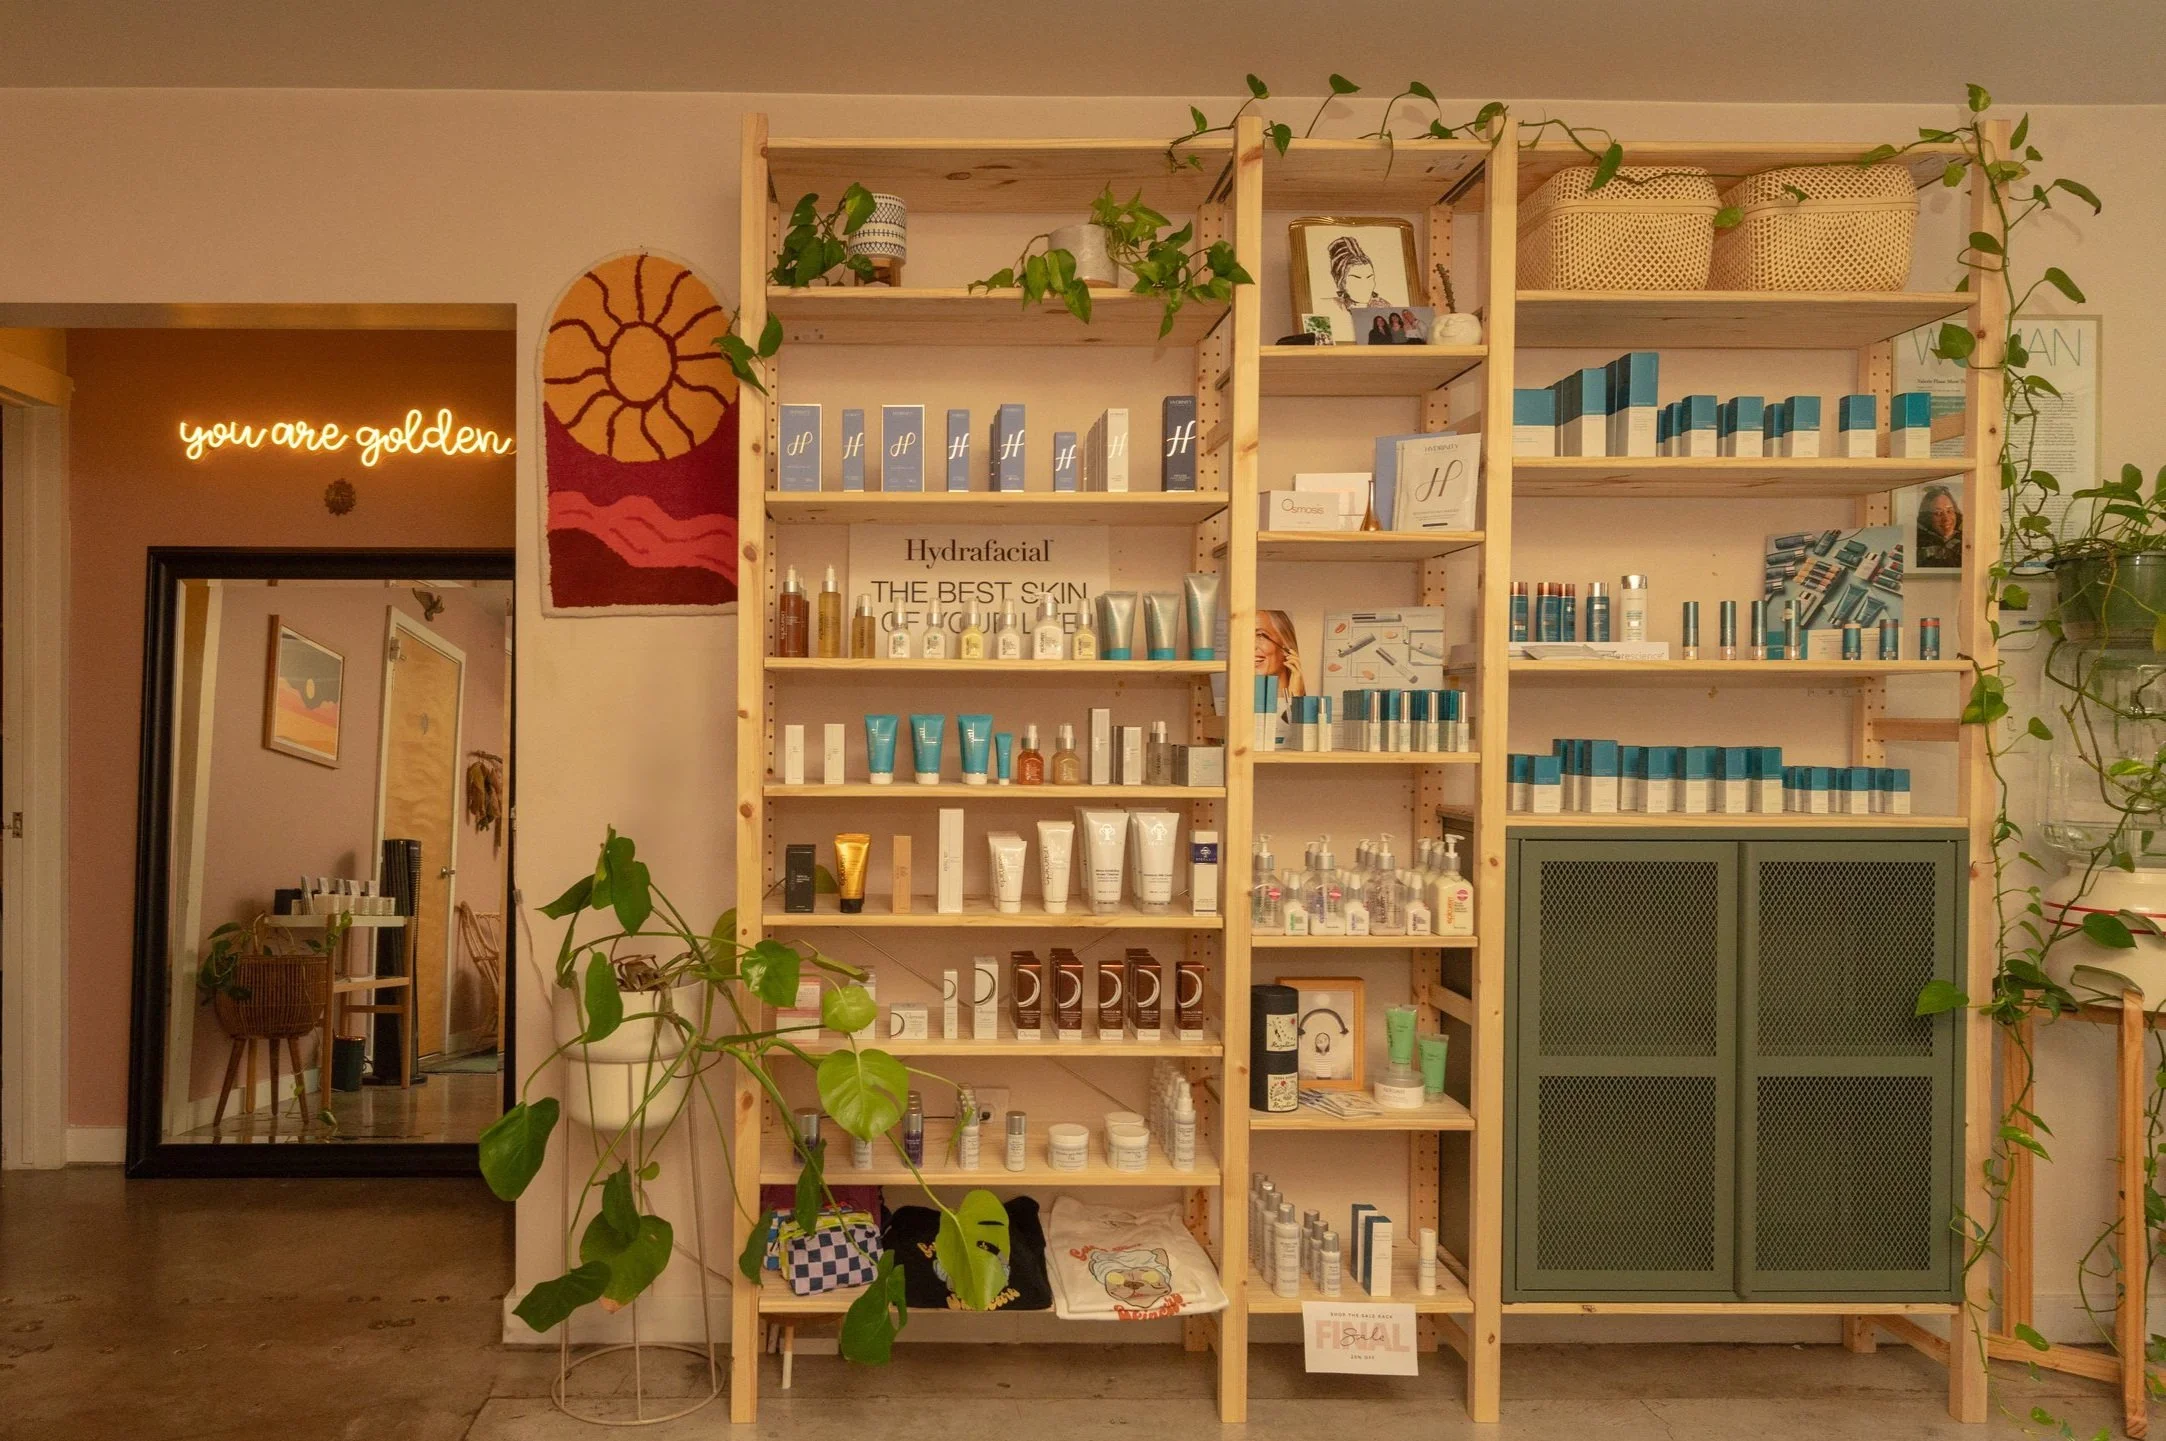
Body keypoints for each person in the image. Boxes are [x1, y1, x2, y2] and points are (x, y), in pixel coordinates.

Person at [1915, 484, 1963, 568]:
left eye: (1949, 511)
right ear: (1927, 517)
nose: (1946, 519)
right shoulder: (1916, 544)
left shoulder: (1967, 540)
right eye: (1938, 513)